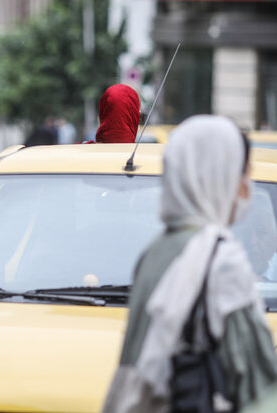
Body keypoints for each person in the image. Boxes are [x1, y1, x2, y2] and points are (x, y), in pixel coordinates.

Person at [102, 115, 277, 412]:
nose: (246, 187)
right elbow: (257, 385)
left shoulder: (158, 250)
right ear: (217, 178)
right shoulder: (218, 258)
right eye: (242, 173)